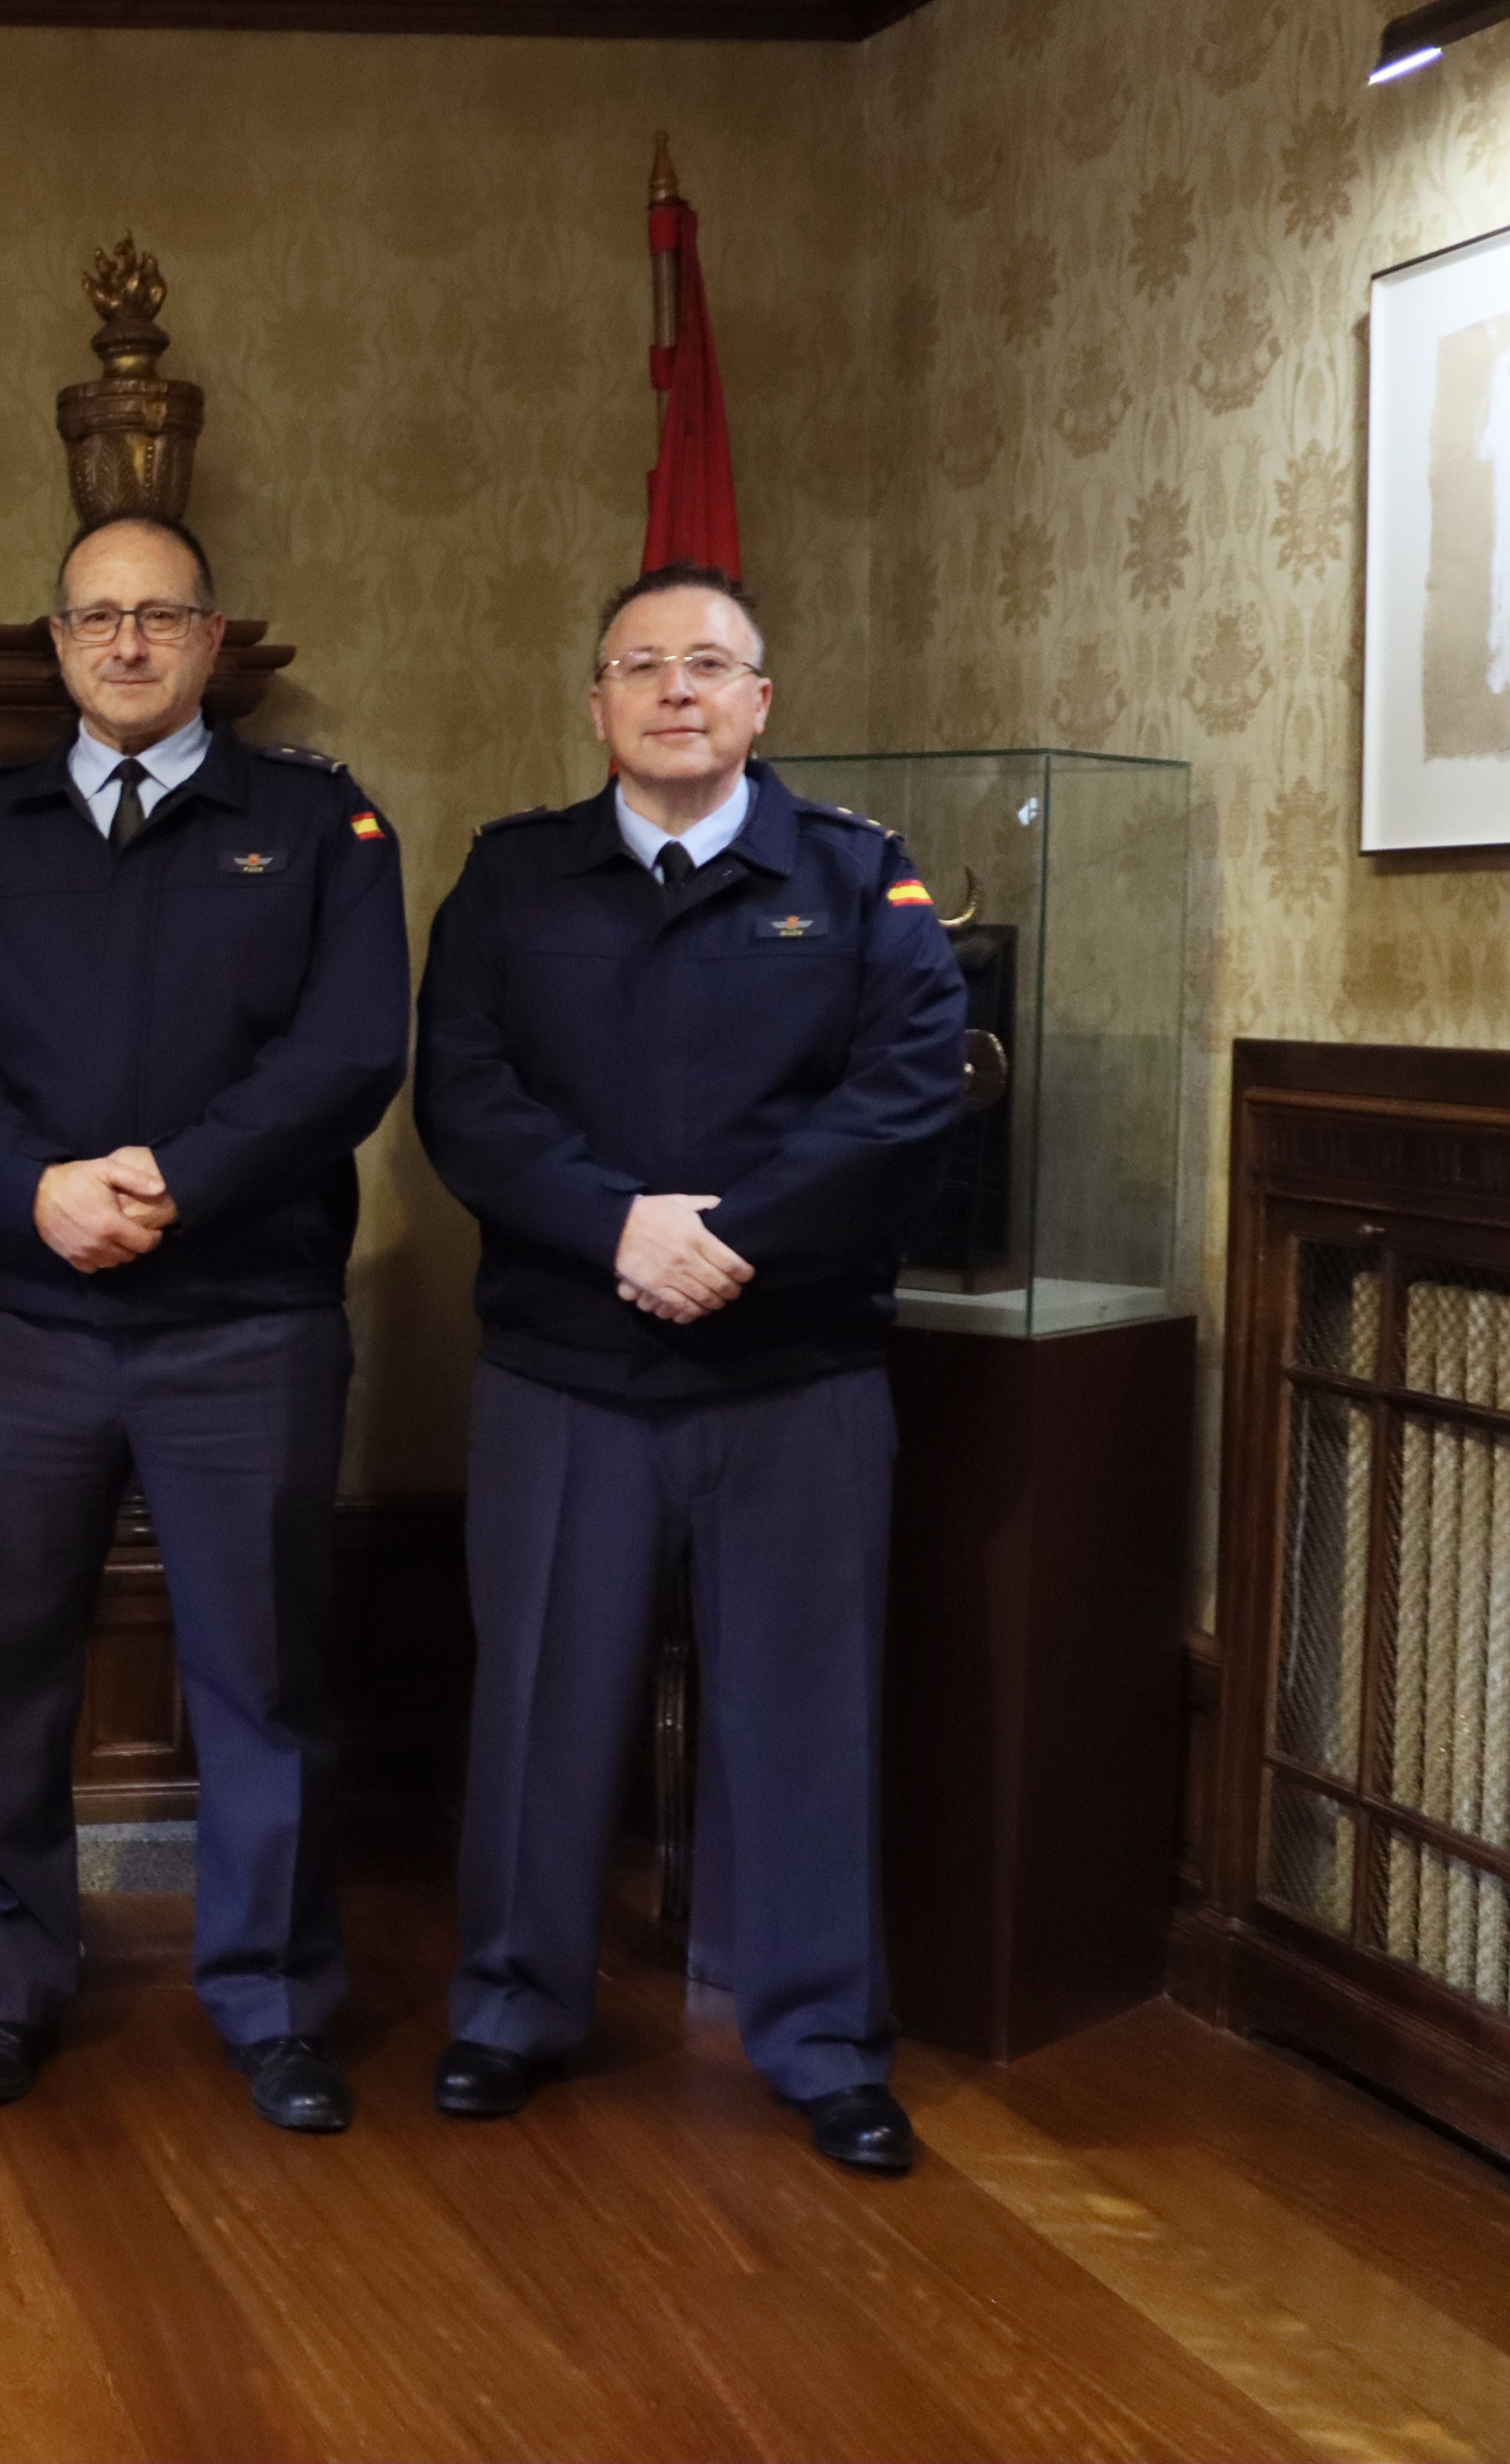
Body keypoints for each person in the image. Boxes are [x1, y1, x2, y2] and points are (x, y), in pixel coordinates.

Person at [414, 562, 966, 2175]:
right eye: (640, 666)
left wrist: (729, 1238)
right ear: (595, 704)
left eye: (709, 665)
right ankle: (511, 2009)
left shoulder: (861, 881)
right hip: (569, 1368)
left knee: (805, 1711)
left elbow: (909, 1089)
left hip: (791, 1367)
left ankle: (819, 2038)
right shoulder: (513, 882)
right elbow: (467, 1096)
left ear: (761, 703)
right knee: (538, 1708)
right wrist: (614, 1231)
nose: (675, 691)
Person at [0, 510, 407, 2120]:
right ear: (55, 644)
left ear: (214, 640)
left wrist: (173, 1179)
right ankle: (6, 1990)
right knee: (4, 1670)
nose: (127, 644)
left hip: (239, 1321)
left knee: (260, 1678)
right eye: (97, 619)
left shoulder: (321, 826)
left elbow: (346, 1054)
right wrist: (39, 1187)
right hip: (17, 1320)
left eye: (160, 618)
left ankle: (273, 2001)